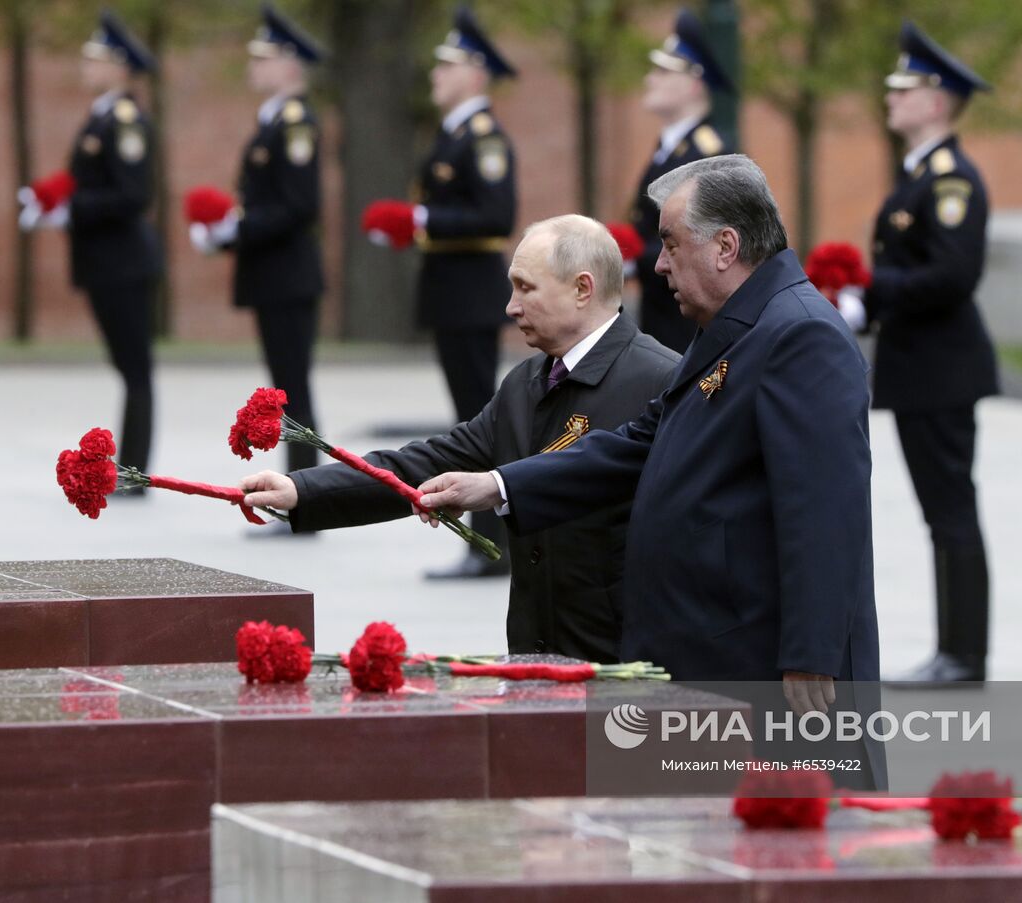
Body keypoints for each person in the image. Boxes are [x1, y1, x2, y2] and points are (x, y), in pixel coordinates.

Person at [416, 156, 884, 786]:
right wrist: (498, 485)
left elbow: (828, 510)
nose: (658, 264)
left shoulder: (800, 336)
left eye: (670, 243)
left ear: (726, 246)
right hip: (713, 654)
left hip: (776, 674)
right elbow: (639, 442)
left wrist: (812, 654)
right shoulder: (736, 328)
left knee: (792, 852)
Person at [241, 216, 679, 662]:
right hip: (537, 651)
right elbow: (431, 460)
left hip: (626, 662)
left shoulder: (660, 378)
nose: (510, 307)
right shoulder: (526, 382)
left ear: (582, 289)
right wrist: (303, 490)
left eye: (526, 289)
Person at [836, 22, 998, 687]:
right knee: (942, 513)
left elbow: (953, 275)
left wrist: (871, 289)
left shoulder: (951, 179)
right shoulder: (918, 176)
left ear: (936, 102)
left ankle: (963, 654)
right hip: (920, 367)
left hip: (942, 368)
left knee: (952, 511)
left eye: (904, 89)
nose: (891, 97)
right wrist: (860, 304)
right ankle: (953, 649)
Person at [361, 6, 518, 578]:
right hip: (450, 290)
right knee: (468, 417)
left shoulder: (484, 137)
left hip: (472, 291)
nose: (436, 75)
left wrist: (423, 217)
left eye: (447, 66)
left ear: (475, 74)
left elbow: (496, 215)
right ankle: (482, 542)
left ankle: (491, 542)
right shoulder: (452, 134)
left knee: (480, 420)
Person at [20, 11, 158, 482]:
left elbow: (133, 194)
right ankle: (130, 471)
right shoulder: (101, 116)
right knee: (126, 366)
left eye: (94, 58)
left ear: (120, 66)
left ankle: (135, 473)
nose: (85, 65)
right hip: (105, 262)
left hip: (124, 261)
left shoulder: (125, 120)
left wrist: (70, 209)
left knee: (135, 369)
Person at [191, 4, 324, 475]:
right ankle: (298, 493)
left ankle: (305, 495)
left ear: (290, 65)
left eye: (263, 57)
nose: (253, 65)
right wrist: (227, 235)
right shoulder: (274, 121)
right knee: (284, 387)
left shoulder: (295, 125)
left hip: (288, 274)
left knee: (292, 391)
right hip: (274, 274)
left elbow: (297, 206)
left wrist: (236, 229)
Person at [627, 9, 735, 354]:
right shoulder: (667, 147)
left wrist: (634, 257)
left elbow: (700, 239)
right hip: (661, 307)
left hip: (688, 318)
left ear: (692, 83)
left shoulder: (706, 153)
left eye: (663, 71)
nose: (650, 80)